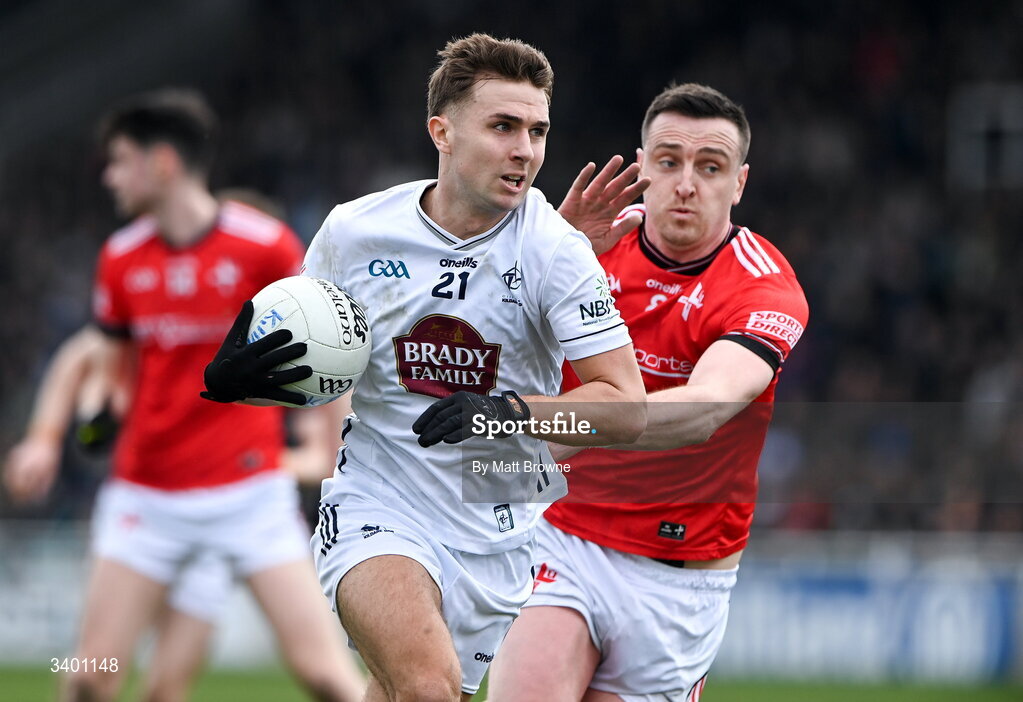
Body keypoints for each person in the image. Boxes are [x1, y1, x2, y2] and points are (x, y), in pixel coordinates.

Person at [200, 33, 648, 702]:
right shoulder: (354, 233)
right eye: (502, 126)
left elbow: (626, 407)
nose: (524, 148)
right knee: (427, 689)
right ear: (441, 130)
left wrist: (506, 415)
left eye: (537, 130)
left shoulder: (557, 251)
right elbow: (318, 367)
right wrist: (244, 386)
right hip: (379, 501)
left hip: (497, 524)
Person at [2, 89, 365, 702]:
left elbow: (325, 348)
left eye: (119, 161)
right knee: (91, 676)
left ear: (162, 163)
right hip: (147, 495)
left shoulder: (265, 246)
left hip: (249, 495)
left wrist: (338, 446)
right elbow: (99, 362)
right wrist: (67, 426)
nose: (110, 178)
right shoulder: (120, 260)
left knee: (327, 676)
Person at [489, 83, 810, 701]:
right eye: (668, 162)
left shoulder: (764, 288)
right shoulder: (583, 247)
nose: (686, 183)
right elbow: (488, 337)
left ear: (738, 183)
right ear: (643, 168)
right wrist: (546, 253)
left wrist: (524, 421)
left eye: (709, 167)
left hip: (680, 581)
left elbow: (701, 411)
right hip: (564, 535)